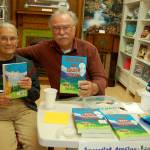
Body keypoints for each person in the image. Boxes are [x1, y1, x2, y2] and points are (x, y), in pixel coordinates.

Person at [17, 9, 107, 99]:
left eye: (66, 27)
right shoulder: (43, 48)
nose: (61, 33)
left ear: (74, 28)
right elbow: (14, 52)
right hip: (61, 100)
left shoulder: (89, 49)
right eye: (56, 28)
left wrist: (93, 87)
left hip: (88, 99)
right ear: (51, 30)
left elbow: (101, 79)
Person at [0, 22, 46, 150]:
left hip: (24, 110)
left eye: (12, 38)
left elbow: (36, 94)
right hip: (1, 115)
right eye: (3, 38)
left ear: (17, 40)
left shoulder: (26, 64)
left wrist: (29, 89)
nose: (9, 43)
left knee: (39, 145)